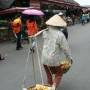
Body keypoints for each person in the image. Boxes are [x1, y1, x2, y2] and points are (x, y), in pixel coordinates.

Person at [32, 14, 73, 90]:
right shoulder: (60, 34)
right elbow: (65, 48)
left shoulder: (45, 32)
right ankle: (53, 88)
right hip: (54, 59)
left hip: (44, 58)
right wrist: (69, 57)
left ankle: (50, 85)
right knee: (59, 74)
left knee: (49, 75)